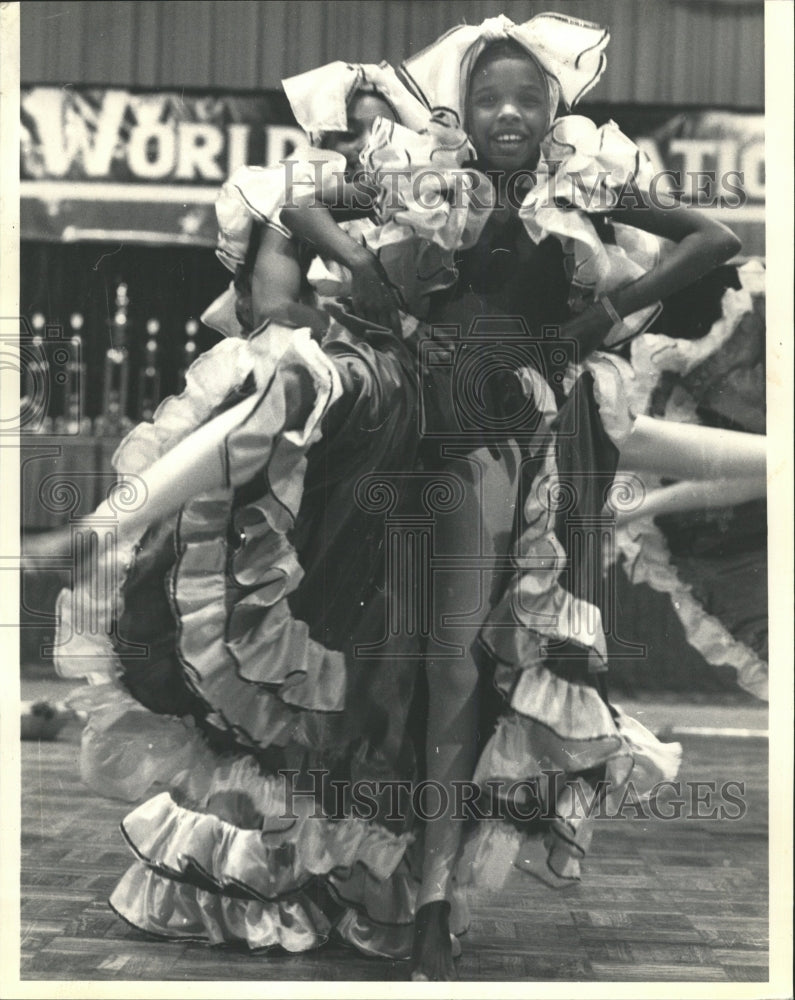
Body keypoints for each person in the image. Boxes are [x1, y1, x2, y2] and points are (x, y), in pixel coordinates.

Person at [44, 16, 764, 985]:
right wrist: (370, 261)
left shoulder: (587, 178)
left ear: (556, 108)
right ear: (461, 110)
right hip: (397, 393)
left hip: (490, 430)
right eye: (489, 96)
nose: (508, 111)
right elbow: (293, 196)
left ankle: (428, 899)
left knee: (452, 675)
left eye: (528, 96)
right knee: (290, 386)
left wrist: (596, 316)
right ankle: (99, 529)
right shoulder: (425, 168)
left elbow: (713, 235)